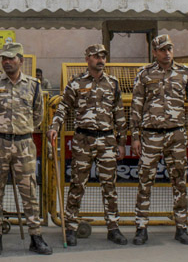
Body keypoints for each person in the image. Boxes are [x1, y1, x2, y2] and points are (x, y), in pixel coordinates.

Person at [129, 34, 188, 246]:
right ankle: (141, 227)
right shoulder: (145, 74)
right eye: (162, 50)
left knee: (179, 181)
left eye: (169, 49)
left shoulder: (185, 73)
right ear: (155, 52)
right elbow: (136, 105)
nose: (167, 53)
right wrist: (135, 136)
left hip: (176, 135)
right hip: (151, 135)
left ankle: (181, 227)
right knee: (145, 181)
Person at [47, 44, 127, 246]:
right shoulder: (76, 83)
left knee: (109, 186)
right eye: (96, 56)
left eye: (103, 56)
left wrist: (122, 141)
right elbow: (63, 107)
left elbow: (119, 113)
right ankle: (71, 227)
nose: (100, 60)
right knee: (77, 184)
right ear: (87, 59)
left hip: (107, 140)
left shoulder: (113, 83)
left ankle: (113, 227)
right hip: (83, 140)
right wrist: (55, 126)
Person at [0, 43, 51, 256]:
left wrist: (23, 131)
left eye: (11, 58)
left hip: (24, 144)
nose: (7, 62)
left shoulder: (34, 85)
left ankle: (36, 237)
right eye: (4, 58)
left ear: (20, 60)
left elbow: (38, 114)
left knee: (29, 191)